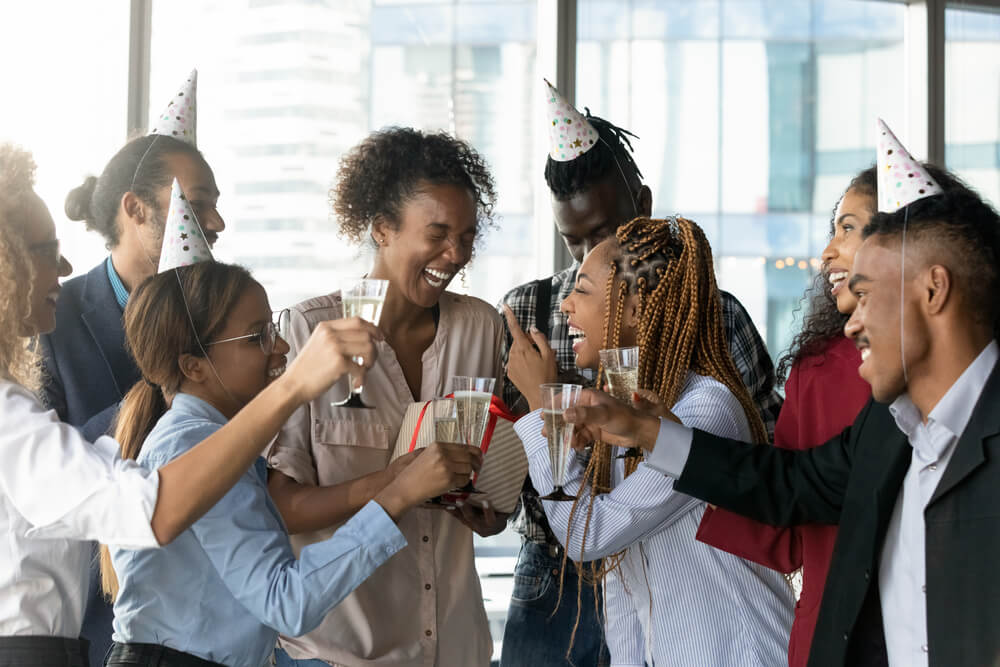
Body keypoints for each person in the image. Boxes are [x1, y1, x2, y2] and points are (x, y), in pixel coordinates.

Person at [564, 159, 1000, 663]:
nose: (852, 323)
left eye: (866, 296)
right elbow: (787, 484)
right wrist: (647, 431)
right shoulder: (885, 426)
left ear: (933, 289)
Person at [0, 145, 378, 666]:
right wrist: (293, 390)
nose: (64, 266)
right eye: (45, 250)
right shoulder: (10, 416)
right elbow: (147, 510)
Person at [497, 80, 782, 667]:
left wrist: (549, 406)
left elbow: (764, 468)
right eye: (571, 246)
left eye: (601, 241)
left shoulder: (703, 396)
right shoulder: (533, 315)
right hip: (595, 567)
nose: (573, 288)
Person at [104, 253, 482, 666]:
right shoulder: (195, 447)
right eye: (257, 337)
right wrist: (396, 498)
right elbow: (286, 602)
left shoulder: (213, 441)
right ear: (194, 366)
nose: (282, 347)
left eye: (273, 327)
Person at [693, 162, 969, 667]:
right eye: (833, 229)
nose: (828, 251)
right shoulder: (829, 377)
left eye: (848, 227)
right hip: (834, 637)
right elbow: (796, 489)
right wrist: (660, 440)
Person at [265, 127, 505, 666]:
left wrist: (488, 508)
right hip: (338, 653)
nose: (456, 253)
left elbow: (488, 472)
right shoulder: (309, 330)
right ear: (382, 229)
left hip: (456, 649)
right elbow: (281, 506)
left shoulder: (481, 328)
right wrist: (397, 483)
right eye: (439, 233)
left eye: (467, 236)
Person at [41, 73, 219, 664]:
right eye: (198, 205)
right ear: (135, 210)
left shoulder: (223, 326)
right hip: (88, 629)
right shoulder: (51, 322)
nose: (216, 225)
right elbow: (43, 481)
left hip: (205, 629)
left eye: (217, 207)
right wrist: (166, 394)